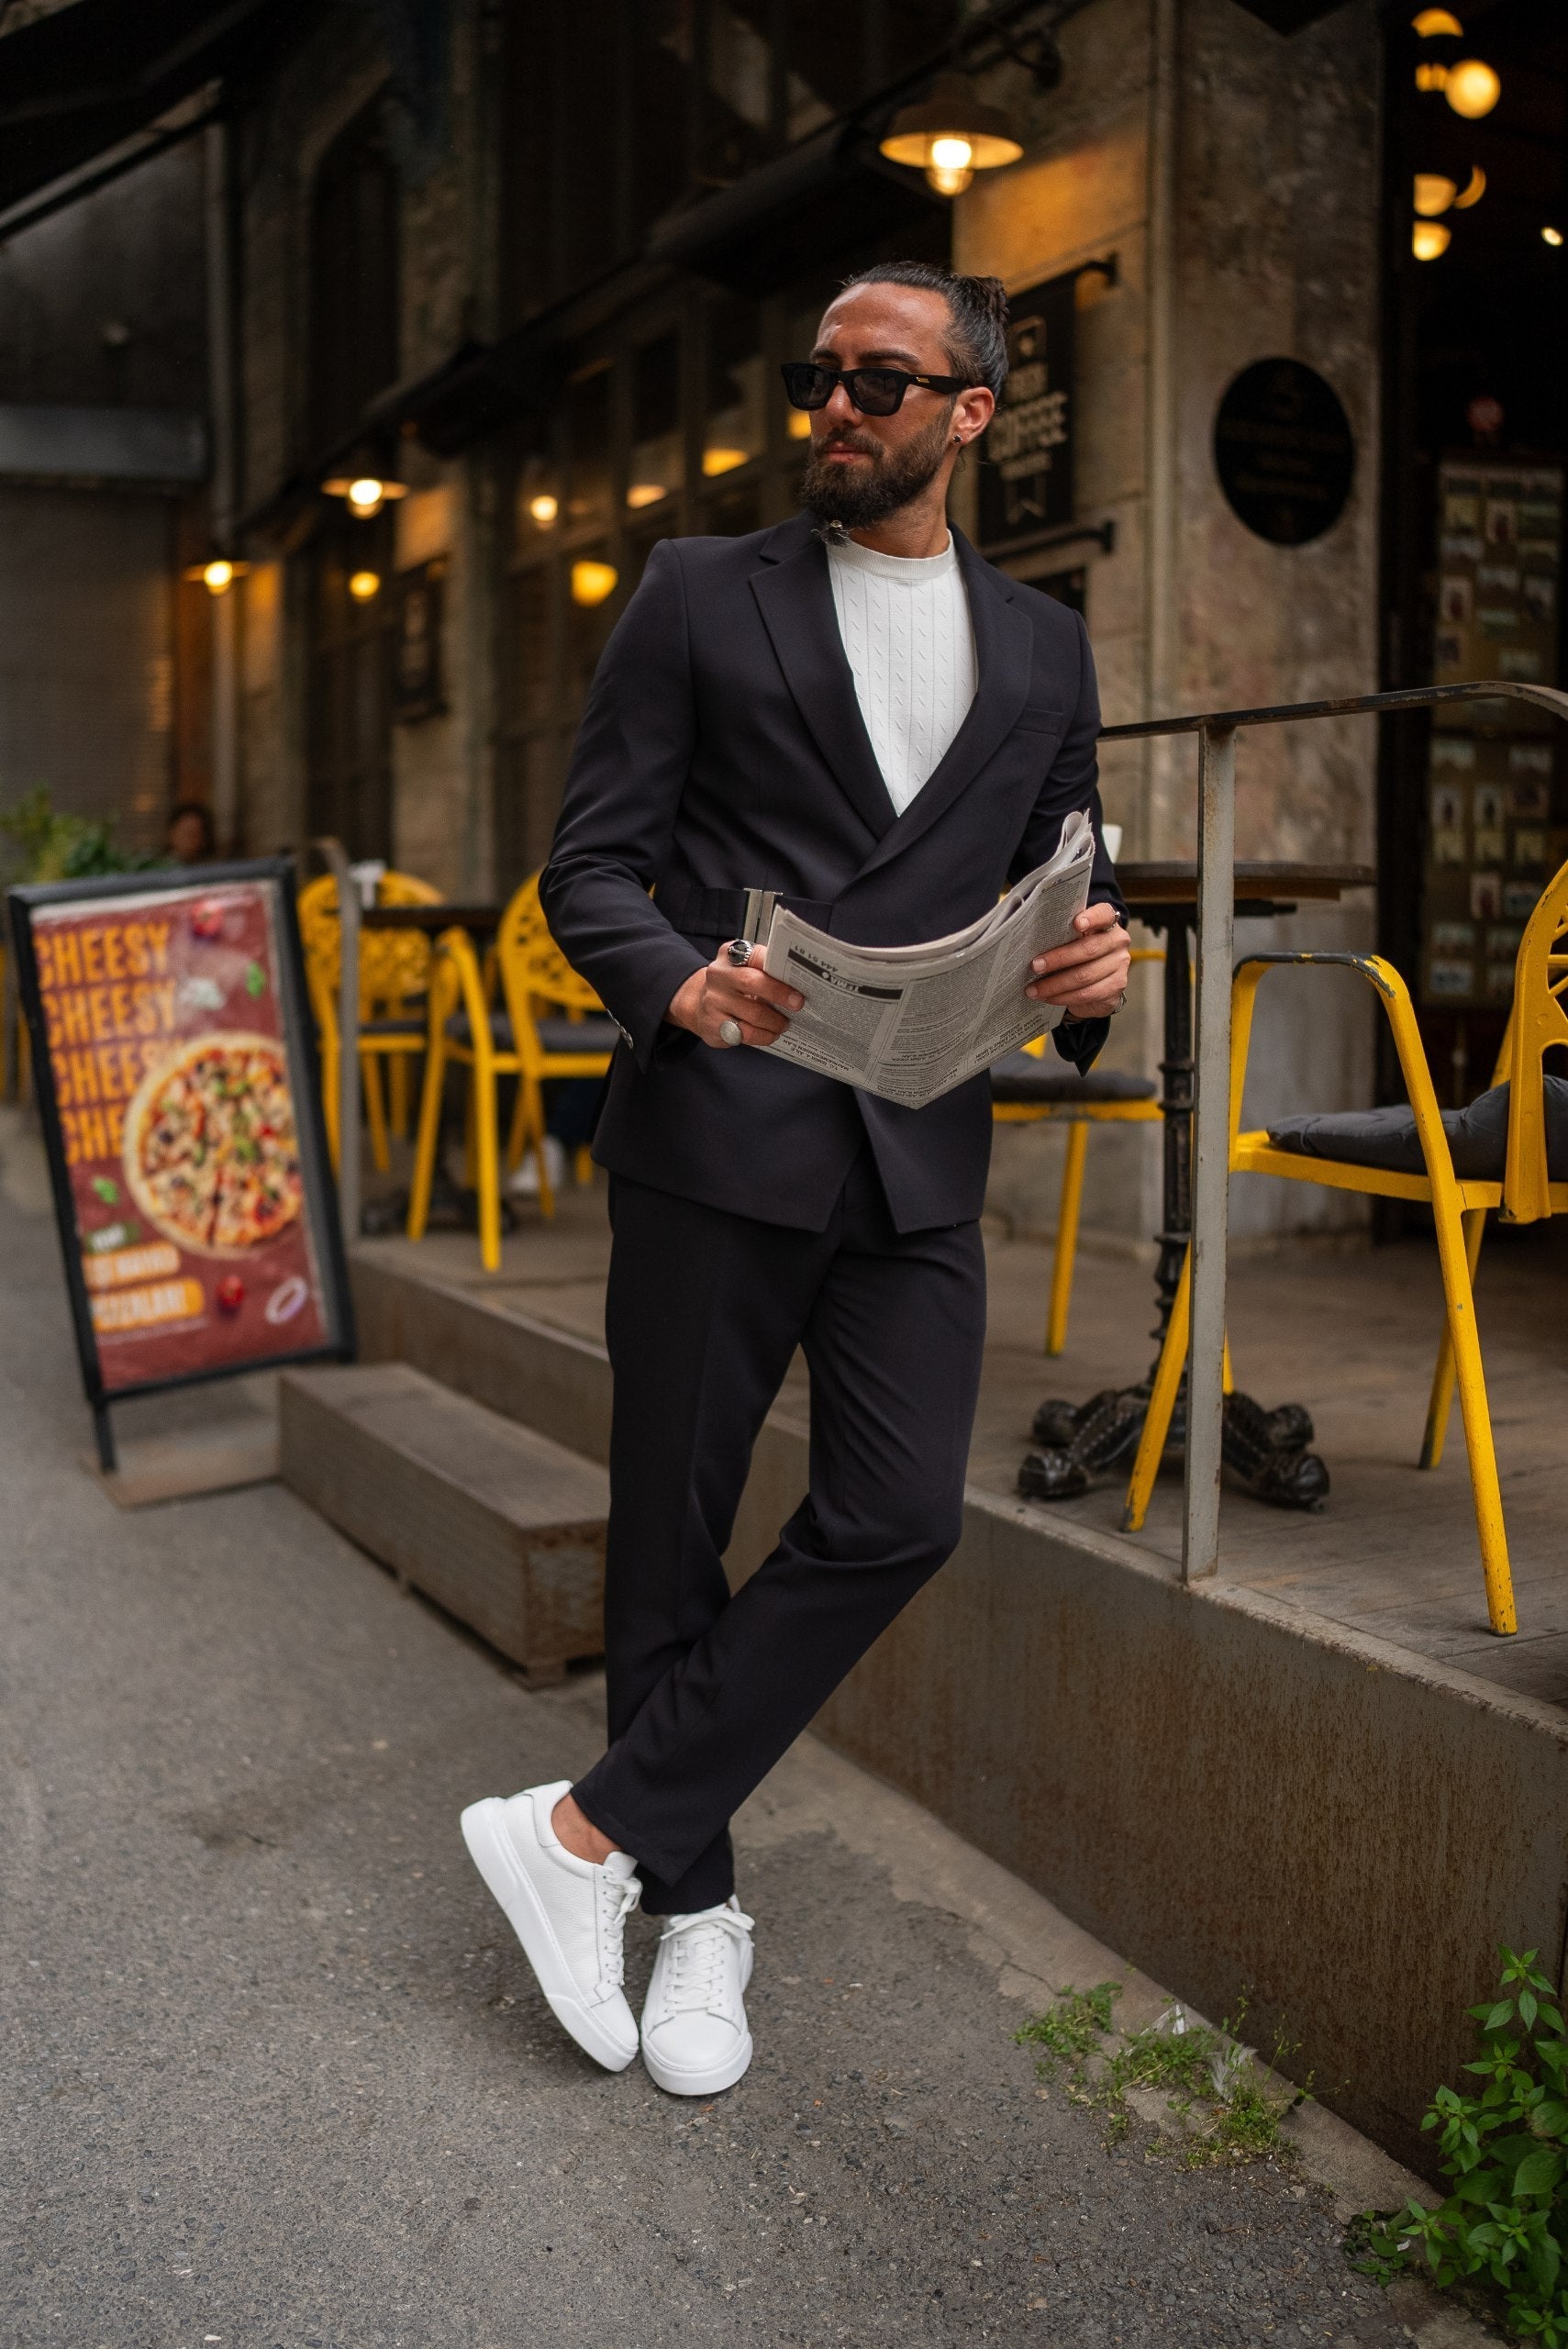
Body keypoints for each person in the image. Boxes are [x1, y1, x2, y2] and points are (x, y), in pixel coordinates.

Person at [459, 262, 1130, 2098]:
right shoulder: (695, 591)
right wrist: (673, 984)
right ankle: (692, 1910)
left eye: (878, 380)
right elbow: (588, 870)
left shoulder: (1045, 645)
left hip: (915, 1154)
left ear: (967, 411)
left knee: (899, 1513)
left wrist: (1089, 972)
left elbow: (1064, 877)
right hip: (715, 1134)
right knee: (668, 1543)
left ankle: (582, 1835)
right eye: (816, 373)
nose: (834, 405)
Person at [165, 800, 216, 864]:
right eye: (184, 833)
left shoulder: (213, 866)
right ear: (171, 833)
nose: (188, 839)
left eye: (194, 834)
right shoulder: (158, 867)